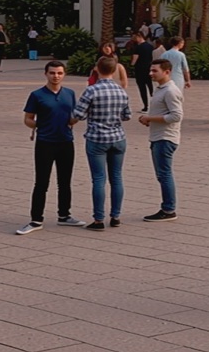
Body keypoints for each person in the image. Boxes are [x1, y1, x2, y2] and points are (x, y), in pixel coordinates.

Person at [19, 59, 82, 233]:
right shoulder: (37, 95)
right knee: (41, 182)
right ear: (46, 74)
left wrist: (80, 117)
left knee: (65, 181)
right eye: (52, 73)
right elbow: (28, 119)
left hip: (66, 141)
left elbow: (72, 118)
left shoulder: (69, 94)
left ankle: (64, 215)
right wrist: (37, 125)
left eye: (60, 73)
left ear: (64, 75)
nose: (56, 76)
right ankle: (36, 219)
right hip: (45, 143)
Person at [78, 54, 131, 230]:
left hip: (97, 138)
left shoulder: (91, 90)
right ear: (114, 70)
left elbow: (78, 114)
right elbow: (127, 116)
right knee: (116, 178)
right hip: (118, 137)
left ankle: (98, 219)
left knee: (99, 179)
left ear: (97, 69)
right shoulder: (121, 91)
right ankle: (115, 215)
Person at [135, 61, 182, 220]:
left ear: (167, 72)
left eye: (155, 71)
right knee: (162, 174)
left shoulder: (170, 91)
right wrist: (150, 120)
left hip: (166, 137)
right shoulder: (160, 89)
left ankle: (169, 209)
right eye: (150, 70)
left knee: (164, 174)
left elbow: (176, 116)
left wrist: (150, 118)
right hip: (157, 136)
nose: (151, 73)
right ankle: (168, 207)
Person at [125, 31, 155, 111]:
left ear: (139, 37)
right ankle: (154, 100)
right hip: (148, 68)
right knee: (149, 84)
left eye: (135, 37)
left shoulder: (138, 48)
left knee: (142, 88)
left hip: (140, 69)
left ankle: (146, 105)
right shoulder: (150, 46)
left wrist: (131, 64)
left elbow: (135, 59)